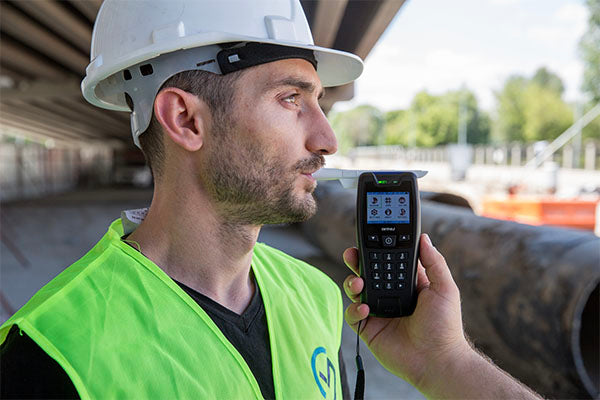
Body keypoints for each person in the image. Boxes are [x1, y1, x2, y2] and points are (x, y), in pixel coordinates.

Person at [0, 0, 541, 399]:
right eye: (290, 99)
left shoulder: (317, 297)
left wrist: (442, 364)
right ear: (186, 118)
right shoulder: (47, 354)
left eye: (319, 102)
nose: (327, 139)